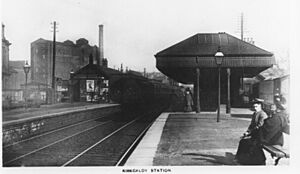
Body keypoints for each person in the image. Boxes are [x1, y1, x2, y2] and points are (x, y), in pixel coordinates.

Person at [235, 99, 268, 165]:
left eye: (256, 107)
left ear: (260, 106)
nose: (254, 108)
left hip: (260, 135)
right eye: (254, 107)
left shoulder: (262, 114)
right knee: (243, 141)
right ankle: (241, 159)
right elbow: (251, 125)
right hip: (255, 134)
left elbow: (259, 126)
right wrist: (247, 132)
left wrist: (249, 133)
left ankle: (257, 160)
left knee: (249, 143)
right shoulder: (255, 114)